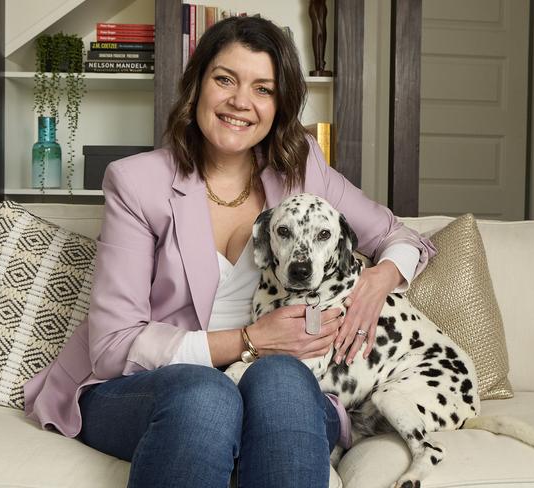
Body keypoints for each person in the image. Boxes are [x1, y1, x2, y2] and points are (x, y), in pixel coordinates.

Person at [24, 15, 436, 488]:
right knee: (207, 393)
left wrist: (376, 282)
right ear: (196, 85)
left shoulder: (303, 169)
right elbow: (115, 346)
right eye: (225, 80)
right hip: (153, 389)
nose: (241, 102)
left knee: (280, 378)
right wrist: (249, 340)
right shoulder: (137, 182)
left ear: (280, 105)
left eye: (263, 89)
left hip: (279, 390)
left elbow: (402, 238)